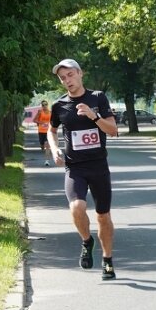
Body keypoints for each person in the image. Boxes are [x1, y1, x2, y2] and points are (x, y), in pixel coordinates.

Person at [47, 59, 118, 280]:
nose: (67, 80)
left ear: (80, 74)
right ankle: (87, 241)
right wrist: (55, 148)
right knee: (77, 207)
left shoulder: (97, 98)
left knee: (103, 216)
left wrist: (93, 116)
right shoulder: (59, 105)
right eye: (62, 78)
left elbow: (113, 131)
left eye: (70, 75)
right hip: (74, 167)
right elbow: (51, 130)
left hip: (98, 166)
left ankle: (107, 260)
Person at [34, 100, 52, 166]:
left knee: (47, 145)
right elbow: (34, 120)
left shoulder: (50, 112)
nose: (44, 106)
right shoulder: (40, 112)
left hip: (48, 131)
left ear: (47, 105)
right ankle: (42, 146)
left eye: (46, 104)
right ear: (41, 106)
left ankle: (47, 161)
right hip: (41, 131)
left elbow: (53, 121)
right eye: (43, 105)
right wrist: (40, 122)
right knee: (42, 145)